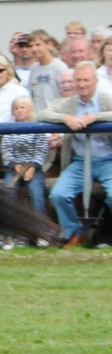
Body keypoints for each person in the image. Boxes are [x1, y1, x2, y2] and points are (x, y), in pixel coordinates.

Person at [40, 61, 112, 248]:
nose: (82, 85)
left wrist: (95, 117)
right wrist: (66, 118)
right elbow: (43, 114)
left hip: (108, 160)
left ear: (95, 81)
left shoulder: (106, 99)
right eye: (78, 80)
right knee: (58, 194)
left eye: (86, 80)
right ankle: (74, 233)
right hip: (81, 161)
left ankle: (105, 234)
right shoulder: (70, 103)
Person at [0, 95, 54, 233]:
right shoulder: (9, 129)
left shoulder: (37, 128)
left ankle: (41, 230)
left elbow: (41, 150)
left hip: (33, 168)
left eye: (22, 107)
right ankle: (8, 231)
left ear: (30, 109)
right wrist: (14, 165)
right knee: (8, 192)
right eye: (16, 108)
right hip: (14, 168)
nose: (19, 111)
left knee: (36, 194)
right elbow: (6, 149)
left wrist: (33, 167)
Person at [24, 35, 69, 108]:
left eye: (38, 45)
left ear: (49, 44)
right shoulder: (34, 69)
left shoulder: (59, 67)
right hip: (37, 116)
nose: (34, 49)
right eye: (31, 46)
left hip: (54, 115)